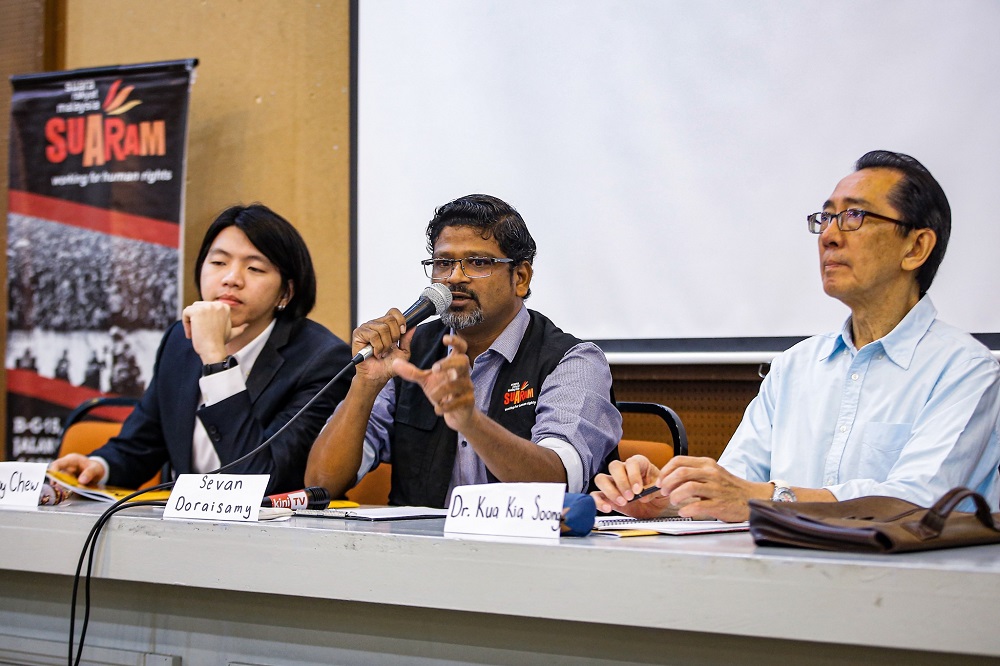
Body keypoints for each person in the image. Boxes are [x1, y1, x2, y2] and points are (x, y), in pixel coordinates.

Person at [594, 150, 1000, 521]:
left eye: (855, 217)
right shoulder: (796, 366)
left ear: (916, 247)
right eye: (825, 218)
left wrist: (768, 496)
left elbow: (915, 503)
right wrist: (665, 495)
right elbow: (735, 485)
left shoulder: (966, 372)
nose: (829, 235)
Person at [305, 194, 621, 507]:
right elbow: (321, 484)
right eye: (443, 263)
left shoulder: (571, 360)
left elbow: (555, 487)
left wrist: (470, 421)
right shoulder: (407, 354)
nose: (454, 277)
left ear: (520, 278)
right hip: (418, 551)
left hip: (529, 554)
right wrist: (366, 382)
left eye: (478, 262)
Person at [50, 204, 353, 494]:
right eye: (218, 263)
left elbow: (260, 480)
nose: (231, 279)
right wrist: (99, 467)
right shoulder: (180, 341)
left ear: (285, 292)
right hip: (183, 532)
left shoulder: (322, 360)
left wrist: (216, 361)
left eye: (255, 268)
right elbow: (142, 444)